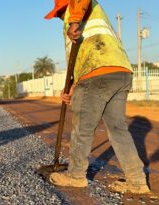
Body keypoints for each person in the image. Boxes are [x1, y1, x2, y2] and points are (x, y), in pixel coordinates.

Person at [44, 0, 151, 194]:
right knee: (118, 129)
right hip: (120, 71)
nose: (60, 17)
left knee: (83, 128)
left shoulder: (75, 13)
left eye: (59, 12)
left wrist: (74, 20)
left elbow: (89, 59)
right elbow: (79, 61)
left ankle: (76, 176)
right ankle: (137, 182)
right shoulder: (91, 16)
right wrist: (70, 87)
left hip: (97, 74)